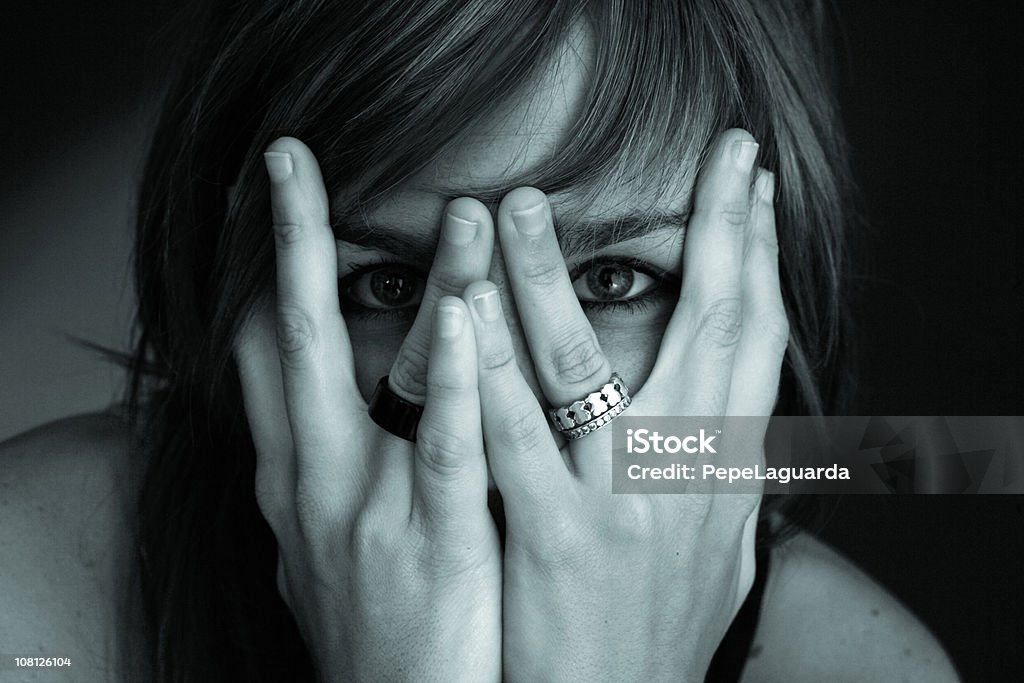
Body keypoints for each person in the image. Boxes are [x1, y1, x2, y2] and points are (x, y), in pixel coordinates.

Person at [0, 1, 961, 681]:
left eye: (612, 280)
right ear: (254, 299)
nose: (498, 412)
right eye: (390, 284)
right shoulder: (28, 592)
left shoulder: (858, 663)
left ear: (752, 302)